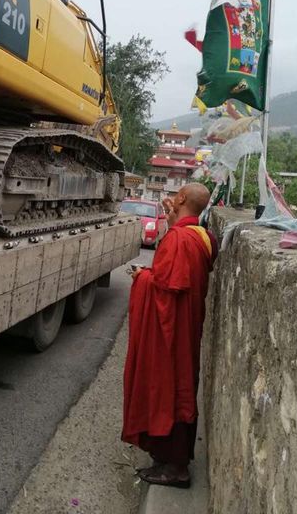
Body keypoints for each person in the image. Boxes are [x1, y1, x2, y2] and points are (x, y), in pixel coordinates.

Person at [122, 183, 216, 489]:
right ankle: (170, 459)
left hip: (171, 332)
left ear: (183, 199)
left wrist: (141, 278)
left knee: (170, 388)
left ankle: (176, 468)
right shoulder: (200, 236)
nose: (172, 199)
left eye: (177, 196)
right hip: (186, 327)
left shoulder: (179, 239)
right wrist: (170, 218)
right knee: (181, 384)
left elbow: (164, 286)